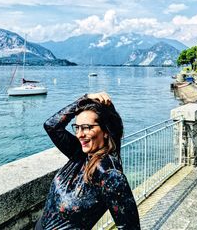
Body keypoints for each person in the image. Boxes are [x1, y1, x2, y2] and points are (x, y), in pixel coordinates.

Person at [35, 92, 140, 230]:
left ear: (106, 131)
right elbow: (51, 126)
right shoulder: (80, 153)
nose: (79, 134)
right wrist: (85, 98)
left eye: (86, 127)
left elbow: (130, 227)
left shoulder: (109, 174)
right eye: (77, 127)